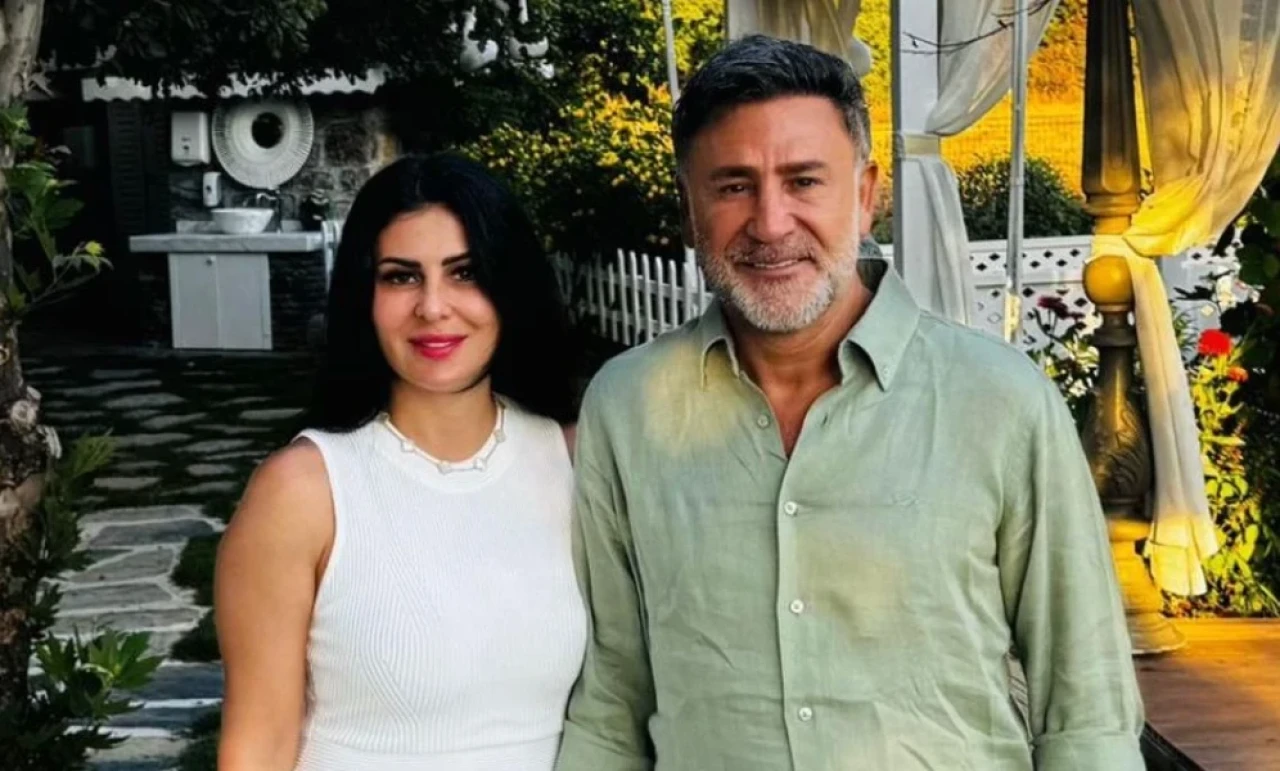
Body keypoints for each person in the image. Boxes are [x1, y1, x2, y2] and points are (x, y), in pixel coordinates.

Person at [556, 35, 1145, 771]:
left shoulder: (1000, 402)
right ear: (688, 209)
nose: (771, 223)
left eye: (804, 181)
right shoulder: (627, 409)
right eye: (733, 186)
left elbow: (1087, 711)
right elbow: (612, 701)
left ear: (866, 195)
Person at [215, 153, 587, 770]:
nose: (433, 307)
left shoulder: (574, 462)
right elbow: (258, 747)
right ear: (364, 295)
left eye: (465, 272)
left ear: (510, 285)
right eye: (400, 277)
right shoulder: (305, 490)